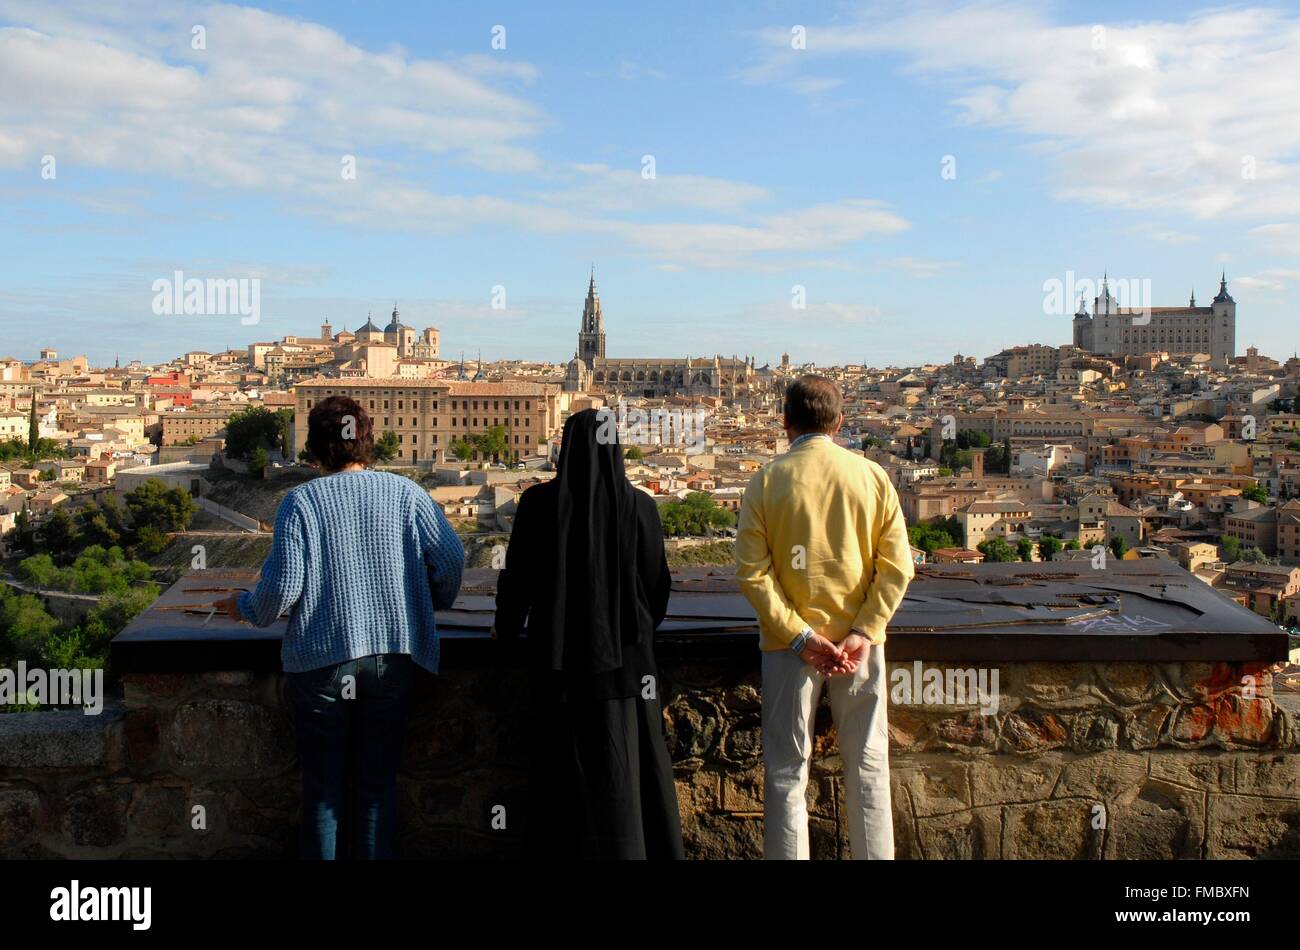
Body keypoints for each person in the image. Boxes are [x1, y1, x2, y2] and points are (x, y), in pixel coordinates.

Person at [217, 395, 463, 859]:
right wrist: (426, 601)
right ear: (366, 440)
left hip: (323, 661)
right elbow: (451, 559)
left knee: (323, 793)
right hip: (393, 657)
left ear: (317, 447)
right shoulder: (406, 493)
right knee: (376, 790)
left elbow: (282, 590)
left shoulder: (302, 502)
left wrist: (244, 606)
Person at [735, 374, 914, 860]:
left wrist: (799, 637)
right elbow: (899, 567)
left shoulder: (766, 480)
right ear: (839, 421)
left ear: (785, 421)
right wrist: (864, 631)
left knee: (787, 771)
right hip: (860, 648)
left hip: (787, 648)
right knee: (869, 764)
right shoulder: (872, 477)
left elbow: (752, 575)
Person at [494, 408, 685, 859]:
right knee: (627, 785)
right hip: (627, 668)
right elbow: (657, 586)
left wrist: (506, 631)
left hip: (556, 664)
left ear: (567, 447)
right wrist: (634, 632)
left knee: (561, 785)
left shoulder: (538, 504)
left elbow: (516, 580)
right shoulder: (640, 506)